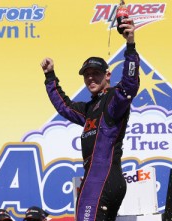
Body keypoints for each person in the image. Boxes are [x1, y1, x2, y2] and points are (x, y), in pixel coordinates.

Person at [41, 18, 140, 221]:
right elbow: (64, 106)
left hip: (100, 181)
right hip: (102, 181)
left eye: (96, 73)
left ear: (107, 75)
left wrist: (130, 44)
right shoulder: (89, 109)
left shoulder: (113, 99)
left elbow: (130, 85)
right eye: (87, 75)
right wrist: (50, 77)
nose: (91, 78)